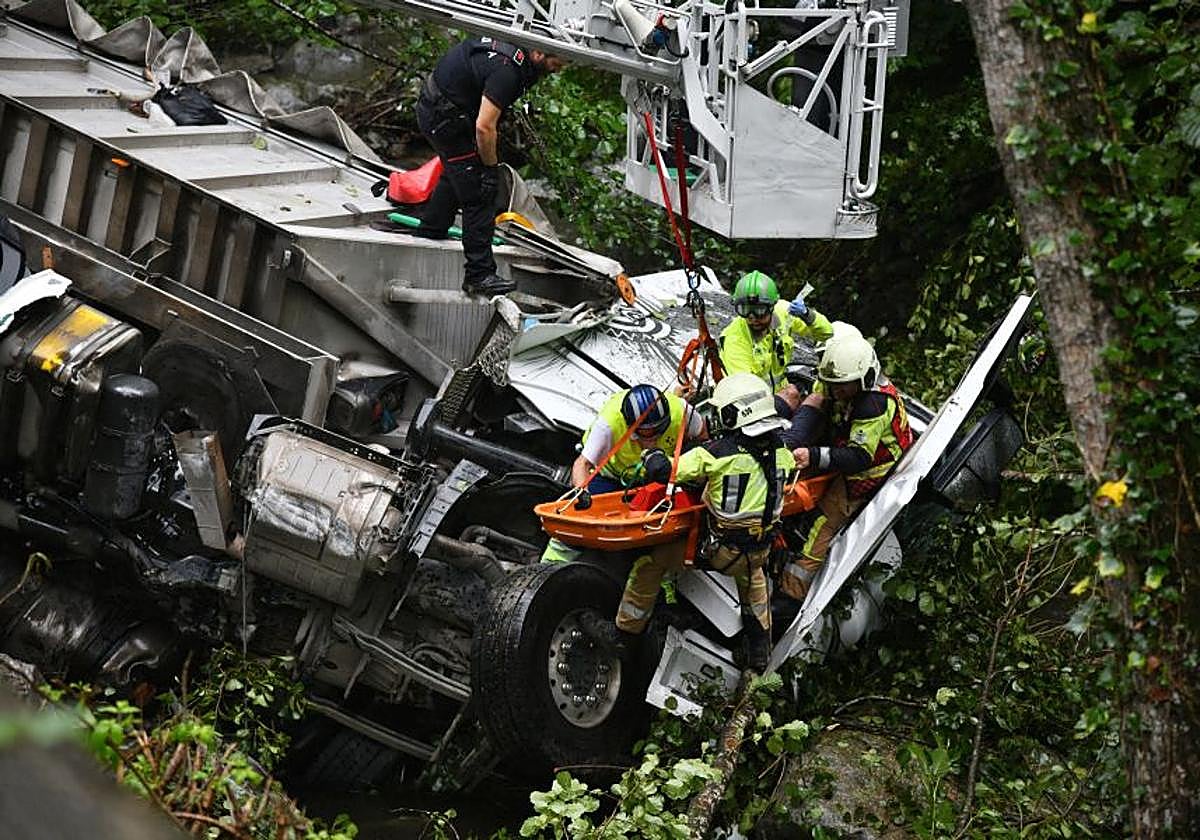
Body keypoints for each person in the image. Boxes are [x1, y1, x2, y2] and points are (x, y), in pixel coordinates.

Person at [606, 373, 796, 672]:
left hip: (721, 552)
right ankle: (759, 650)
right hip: (760, 550)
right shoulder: (784, 454)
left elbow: (663, 471)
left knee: (648, 563)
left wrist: (653, 450)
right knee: (753, 581)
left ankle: (624, 635)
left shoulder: (717, 454)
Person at [415, 37, 565, 296]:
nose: (558, 69)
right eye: (556, 62)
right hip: (444, 118)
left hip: (437, 107)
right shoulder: (507, 72)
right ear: (539, 53)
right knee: (480, 191)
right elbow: (484, 127)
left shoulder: (512, 47)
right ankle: (479, 275)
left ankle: (432, 229)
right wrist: (490, 169)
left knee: (459, 170)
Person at [778, 330, 912, 602]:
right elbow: (820, 398)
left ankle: (791, 593)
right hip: (851, 456)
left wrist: (814, 455)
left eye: (842, 387)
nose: (836, 392)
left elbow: (859, 458)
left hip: (869, 474)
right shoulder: (841, 382)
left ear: (863, 379)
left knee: (821, 525)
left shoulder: (873, 405)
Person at [541, 384, 707, 563]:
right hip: (610, 475)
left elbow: (704, 439)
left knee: (665, 529)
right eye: (645, 433)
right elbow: (582, 463)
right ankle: (550, 566)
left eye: (656, 432)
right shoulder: (609, 424)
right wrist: (582, 493)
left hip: (657, 476)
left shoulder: (681, 412)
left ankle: (661, 576)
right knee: (576, 525)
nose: (652, 440)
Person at [718, 270, 834, 416]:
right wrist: (784, 401)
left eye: (759, 310)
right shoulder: (735, 340)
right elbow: (747, 393)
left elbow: (826, 333)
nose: (753, 318)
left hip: (782, 393)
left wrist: (807, 315)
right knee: (793, 396)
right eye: (745, 310)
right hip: (749, 409)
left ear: (772, 306)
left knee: (819, 398)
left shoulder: (784, 312)